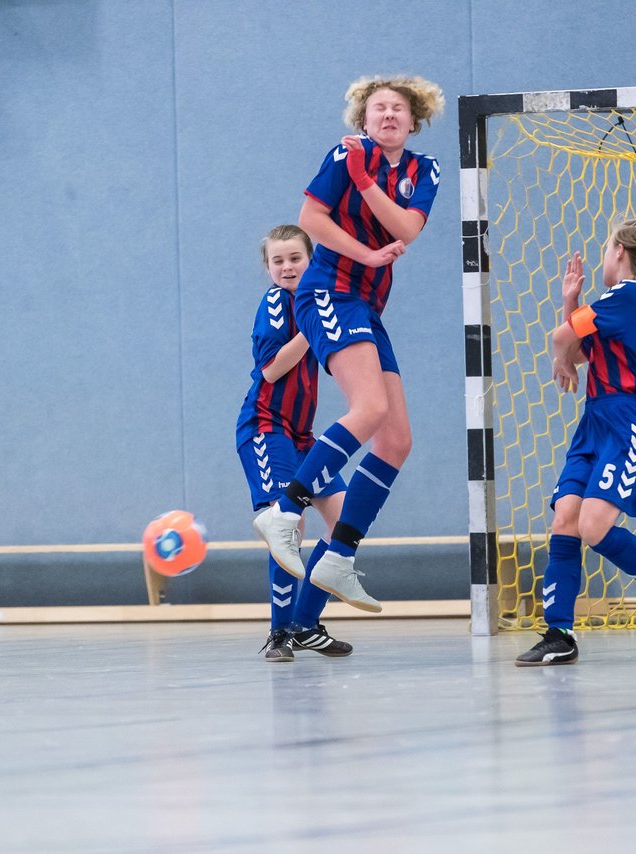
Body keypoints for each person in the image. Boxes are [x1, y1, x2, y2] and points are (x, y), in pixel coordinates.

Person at [252, 76, 444, 613]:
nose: (388, 115)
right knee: (370, 408)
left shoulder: (422, 169)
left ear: (413, 120)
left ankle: (338, 555)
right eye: (378, 108)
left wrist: (365, 185)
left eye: (398, 109)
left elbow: (406, 225)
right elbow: (312, 220)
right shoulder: (346, 153)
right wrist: (364, 251)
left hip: (365, 304)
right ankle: (285, 510)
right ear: (363, 119)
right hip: (329, 291)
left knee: (396, 440)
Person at [516, 218, 636, 667]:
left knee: (592, 527)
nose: (601, 257)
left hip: (623, 423)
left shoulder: (627, 296)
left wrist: (563, 357)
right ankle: (559, 633)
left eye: (605, 248)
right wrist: (570, 305)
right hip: (596, 420)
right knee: (565, 519)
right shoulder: (630, 304)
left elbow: (562, 342)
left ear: (620, 253)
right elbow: (578, 348)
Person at [236, 225, 350, 662]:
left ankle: (306, 623)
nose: (286, 267)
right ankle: (280, 632)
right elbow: (269, 370)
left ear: (311, 259)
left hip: (302, 435)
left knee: (345, 522)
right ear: (267, 267)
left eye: (295, 259)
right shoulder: (275, 303)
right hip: (266, 428)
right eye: (277, 261)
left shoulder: (314, 301)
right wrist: (309, 330)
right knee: (289, 527)